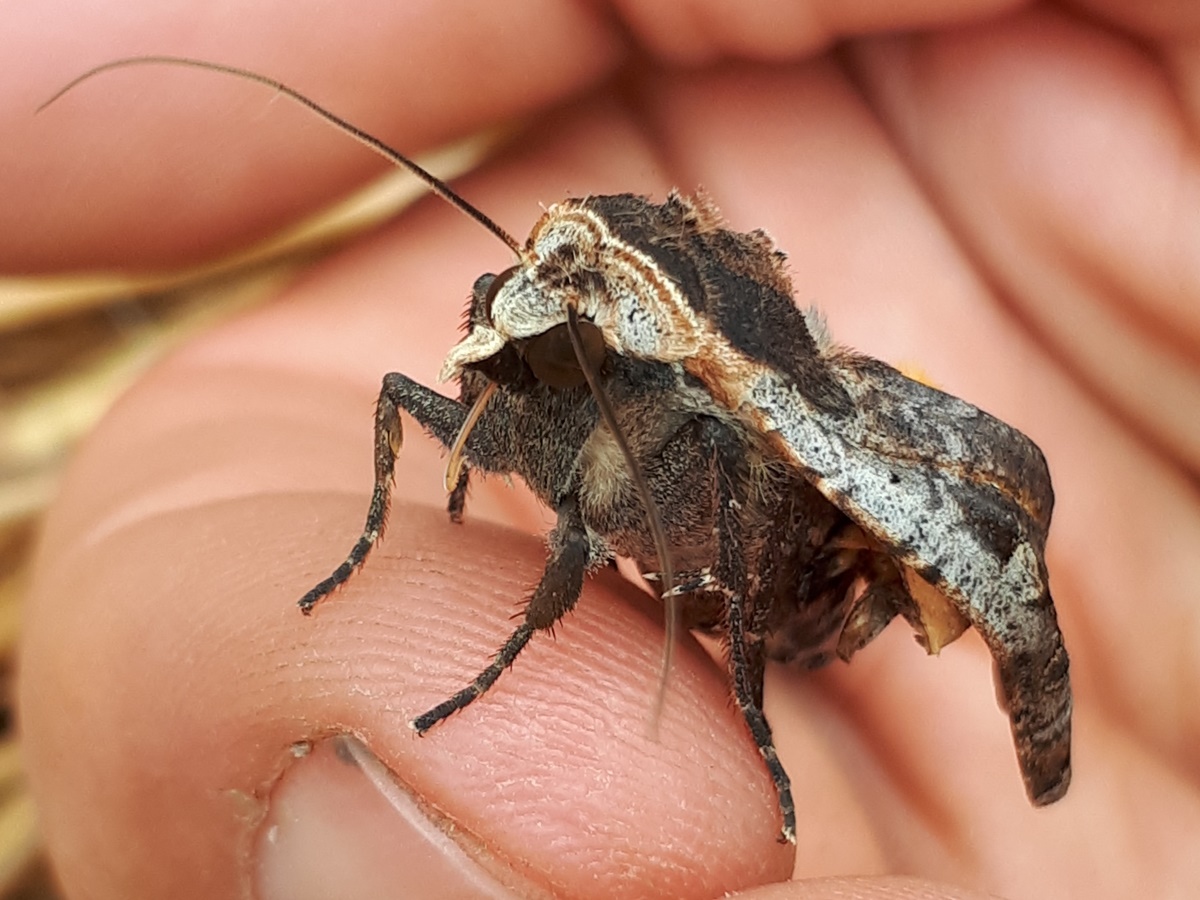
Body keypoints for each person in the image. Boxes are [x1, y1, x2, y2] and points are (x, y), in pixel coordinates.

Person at [11, 2, 1199, 897]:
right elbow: (424, 388)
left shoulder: (679, 396)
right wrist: (387, 528)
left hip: (790, 584)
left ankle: (744, 719)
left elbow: (630, 502)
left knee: (632, 502)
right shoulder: (521, 365)